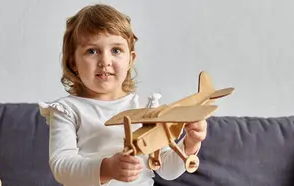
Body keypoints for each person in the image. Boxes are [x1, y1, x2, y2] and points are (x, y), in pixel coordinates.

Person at [38, 4, 207, 186]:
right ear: (73, 62)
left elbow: (165, 168)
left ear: (130, 60)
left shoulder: (146, 107)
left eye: (116, 50)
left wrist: (190, 143)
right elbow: (62, 166)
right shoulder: (67, 110)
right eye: (92, 51)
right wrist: (107, 169)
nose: (105, 61)